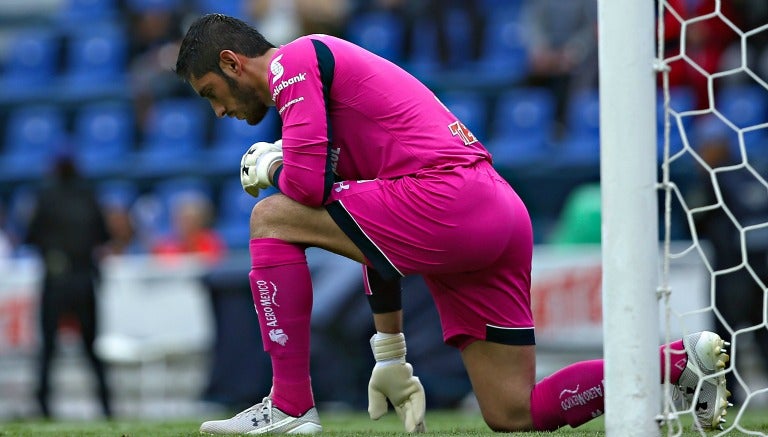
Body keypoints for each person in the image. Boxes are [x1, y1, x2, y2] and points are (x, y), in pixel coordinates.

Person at [174, 14, 731, 434]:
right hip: (492, 212)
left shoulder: (294, 61)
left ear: (230, 63)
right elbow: (369, 236)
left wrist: (273, 165)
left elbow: (310, 190)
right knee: (513, 411)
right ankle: (681, 363)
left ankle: (290, 404)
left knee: (270, 217)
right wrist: (389, 353)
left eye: (211, 96)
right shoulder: (327, 102)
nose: (219, 112)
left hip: (449, 199)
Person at [24, 155, 113, 419]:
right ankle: (106, 406)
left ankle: (42, 406)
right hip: (84, 278)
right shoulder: (88, 196)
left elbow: (31, 236)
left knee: (48, 348)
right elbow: (103, 236)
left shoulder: (45, 197)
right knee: (91, 346)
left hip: (55, 279)